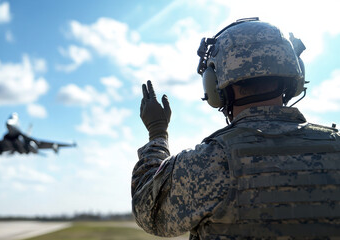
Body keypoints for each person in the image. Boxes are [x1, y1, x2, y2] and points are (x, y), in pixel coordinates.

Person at [132, 17, 340, 239]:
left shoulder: (208, 162)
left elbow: (148, 211)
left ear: (214, 86)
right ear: (295, 78)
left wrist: (157, 132)